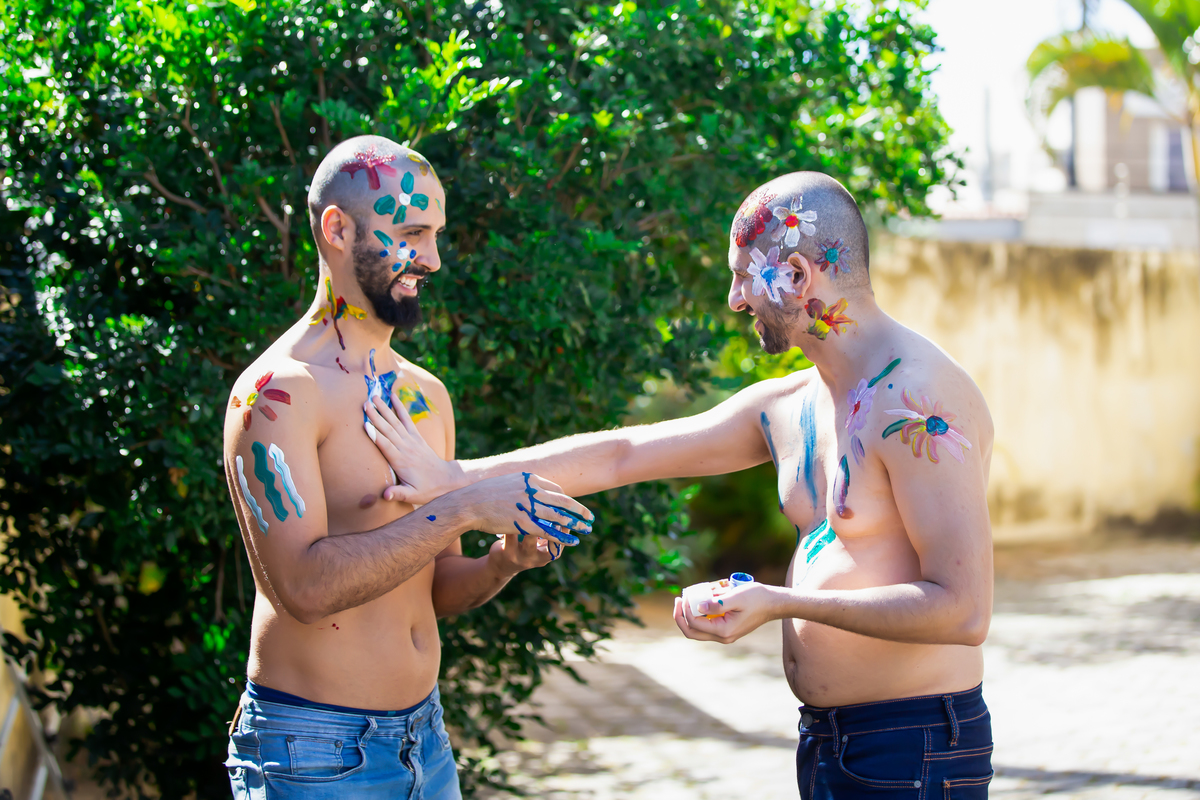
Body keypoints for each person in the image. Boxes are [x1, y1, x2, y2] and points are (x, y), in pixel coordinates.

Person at [362, 171, 996, 798]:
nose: (735, 299)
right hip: (831, 742)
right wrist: (454, 479)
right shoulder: (793, 403)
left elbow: (963, 610)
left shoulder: (916, 398)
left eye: (744, 273)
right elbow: (623, 454)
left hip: (915, 742)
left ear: (799, 275)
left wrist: (779, 603)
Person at [221, 134, 593, 800]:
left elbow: (436, 585)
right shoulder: (276, 395)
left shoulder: (426, 396)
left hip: (427, 741)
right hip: (311, 755)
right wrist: (466, 504)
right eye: (414, 232)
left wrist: (502, 562)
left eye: (438, 234)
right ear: (337, 229)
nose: (434, 259)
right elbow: (301, 590)